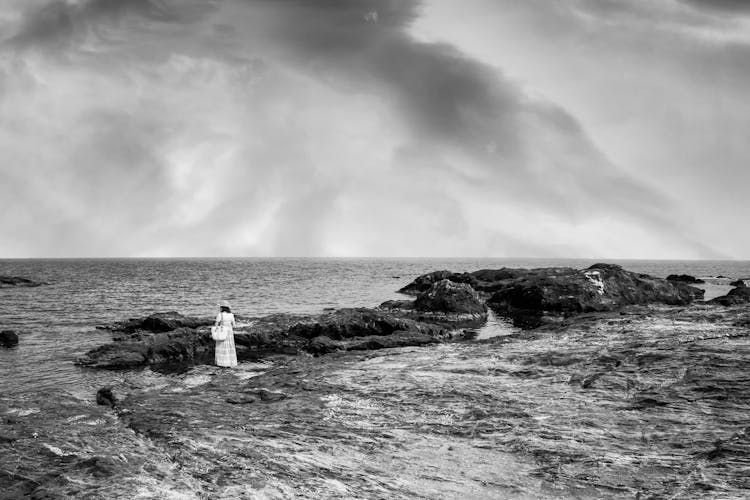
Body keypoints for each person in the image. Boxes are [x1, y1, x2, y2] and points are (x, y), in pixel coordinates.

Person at [214, 300, 237, 368]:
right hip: (229, 332)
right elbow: (234, 325)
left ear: (222, 308)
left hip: (222, 331)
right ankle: (230, 362)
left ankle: (222, 363)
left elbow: (216, 324)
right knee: (229, 346)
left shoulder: (220, 314)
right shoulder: (231, 315)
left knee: (222, 346)